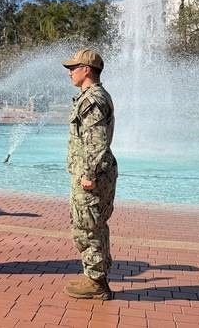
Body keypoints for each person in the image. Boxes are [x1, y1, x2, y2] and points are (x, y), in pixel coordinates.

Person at [61, 49, 117, 300]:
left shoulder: (91, 100)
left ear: (87, 70)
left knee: (87, 226)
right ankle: (97, 276)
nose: (70, 72)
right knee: (96, 224)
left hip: (91, 174)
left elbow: (96, 143)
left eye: (74, 67)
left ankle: (96, 282)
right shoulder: (94, 96)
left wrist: (88, 174)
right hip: (97, 171)